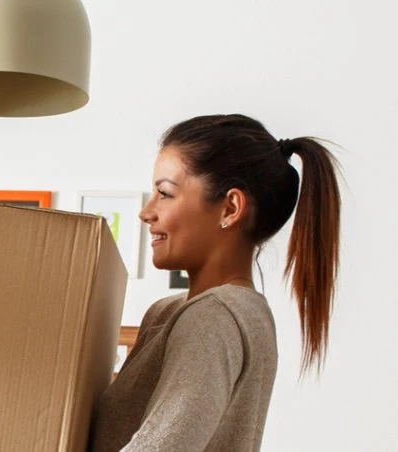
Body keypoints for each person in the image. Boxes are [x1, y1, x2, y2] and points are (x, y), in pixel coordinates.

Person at [91, 114, 344, 452]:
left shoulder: (214, 316)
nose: (146, 212)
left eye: (164, 193)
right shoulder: (177, 311)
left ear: (230, 208)